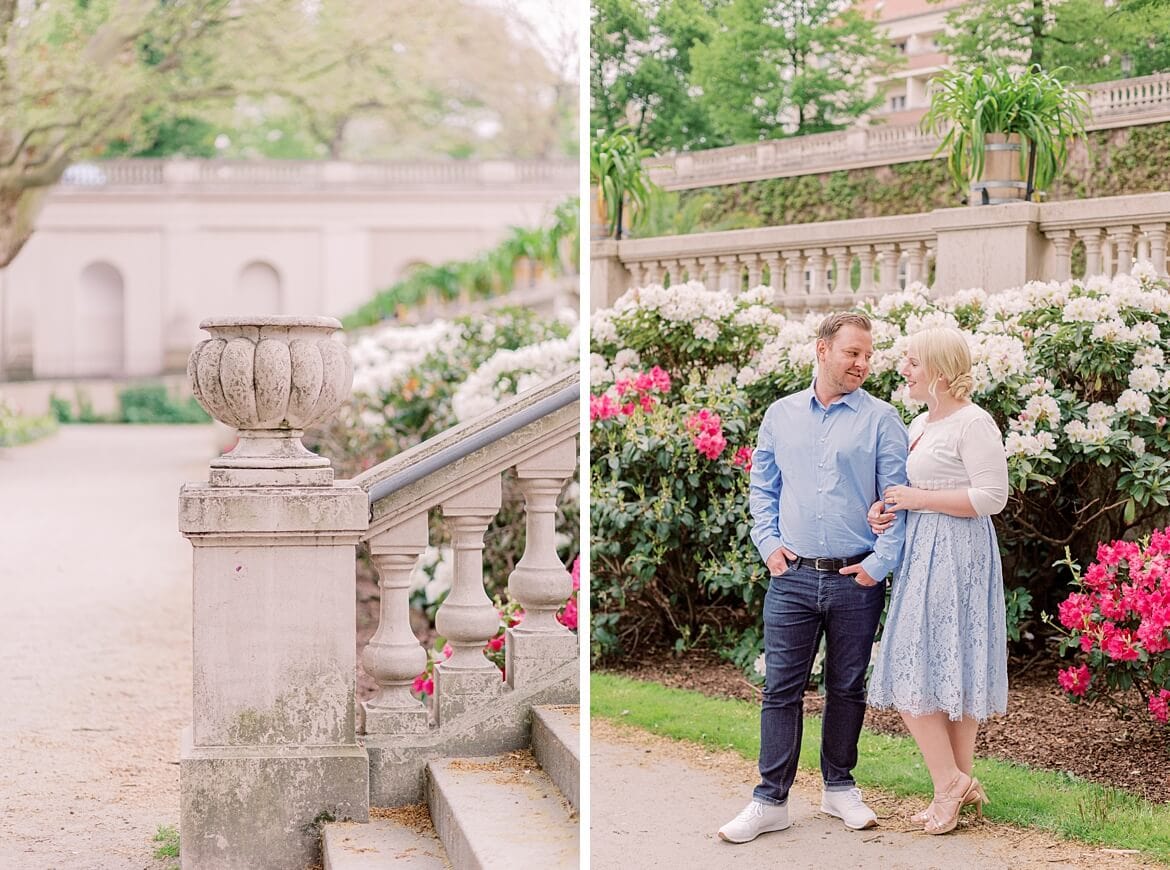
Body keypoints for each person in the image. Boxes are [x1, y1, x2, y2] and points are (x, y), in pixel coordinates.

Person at [718, 311, 909, 845]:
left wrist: (877, 566)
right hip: (793, 577)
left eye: (869, 355)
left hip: (855, 578)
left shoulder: (882, 419)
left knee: (847, 687)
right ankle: (769, 800)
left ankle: (839, 788)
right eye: (853, 353)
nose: (863, 364)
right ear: (822, 350)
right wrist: (768, 545)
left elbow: (896, 502)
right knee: (780, 690)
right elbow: (763, 488)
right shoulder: (780, 416)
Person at [866, 326, 1009, 835]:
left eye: (912, 361)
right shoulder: (918, 422)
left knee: (924, 661)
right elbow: (908, 489)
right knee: (940, 664)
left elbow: (992, 497)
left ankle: (951, 784)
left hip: (959, 555)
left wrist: (917, 499)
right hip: (923, 550)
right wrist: (885, 511)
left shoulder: (975, 424)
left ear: (941, 372)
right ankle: (952, 786)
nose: (903, 369)